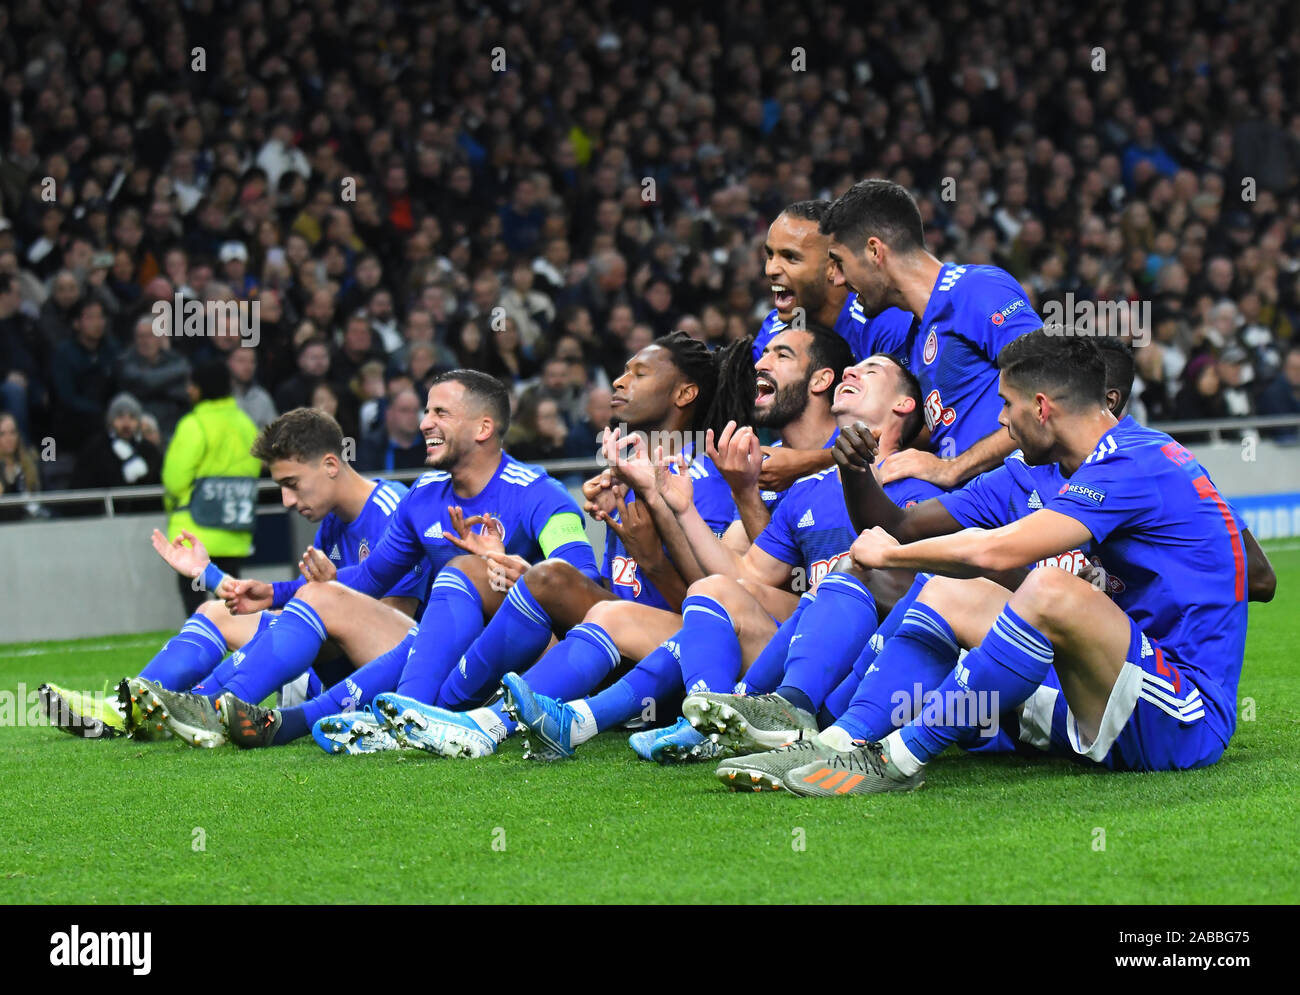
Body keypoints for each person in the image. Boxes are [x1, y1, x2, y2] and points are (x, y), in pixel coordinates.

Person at [724, 330, 1258, 794]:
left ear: (1043, 407)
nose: (1002, 420)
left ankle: (899, 759)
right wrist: (866, 489)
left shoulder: (1133, 462)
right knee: (949, 590)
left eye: (1007, 405)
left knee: (1049, 587)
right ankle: (839, 741)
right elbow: (929, 532)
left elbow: (997, 549)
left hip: (1183, 715)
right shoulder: (1086, 461)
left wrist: (891, 554)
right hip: (1110, 685)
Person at [500, 348, 943, 761]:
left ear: (903, 406)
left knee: (832, 583)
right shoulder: (806, 488)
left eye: (871, 371)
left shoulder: (923, 488)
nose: (852, 372)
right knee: (713, 589)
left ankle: (669, 724)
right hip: (796, 663)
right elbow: (742, 573)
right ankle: (670, 723)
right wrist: (681, 507)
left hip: (869, 674)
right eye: (851, 368)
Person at [324, 331, 753, 756]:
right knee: (472, 571)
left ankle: (447, 716)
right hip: (604, 641)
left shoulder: (713, 478)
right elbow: (622, 588)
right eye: (622, 371)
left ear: (685, 393)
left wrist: (651, 556)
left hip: (672, 660)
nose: (619, 382)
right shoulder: (625, 472)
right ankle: (420, 713)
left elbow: (709, 607)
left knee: (550, 579)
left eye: (639, 373)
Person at [209, 370, 602, 750]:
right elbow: (369, 577)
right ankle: (264, 715)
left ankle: (394, 714)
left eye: (440, 413)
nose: (424, 423)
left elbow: (581, 585)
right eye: (426, 412)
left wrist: (520, 574)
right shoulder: (424, 496)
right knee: (328, 597)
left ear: (483, 429)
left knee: (461, 573)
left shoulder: (541, 495)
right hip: (447, 652)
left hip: (531, 658)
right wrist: (276, 592)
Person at [39, 408, 427, 742]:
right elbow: (315, 610)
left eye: (291, 485)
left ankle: (191, 708)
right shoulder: (331, 525)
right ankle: (128, 710)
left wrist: (317, 602)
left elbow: (393, 622)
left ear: (330, 464)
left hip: (382, 675)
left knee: (306, 608)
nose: (287, 501)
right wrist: (211, 576)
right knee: (214, 612)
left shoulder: (390, 507)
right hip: (326, 663)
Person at [819, 179, 1042, 490]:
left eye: (841, 262)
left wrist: (953, 468)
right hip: (971, 509)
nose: (839, 280)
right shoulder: (915, 337)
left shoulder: (975, 289)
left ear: (873, 251)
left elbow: (1050, 390)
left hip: (1024, 503)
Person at [162, 361, 262, 615]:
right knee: (233, 603)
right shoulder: (246, 424)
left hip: (195, 530)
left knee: (198, 608)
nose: (188, 390)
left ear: (199, 388)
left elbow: (174, 480)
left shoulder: (194, 424)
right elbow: (255, 469)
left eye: (191, 384)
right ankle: (240, 651)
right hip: (234, 530)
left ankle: (201, 649)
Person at [70, 393, 162, 490]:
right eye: (120, 417)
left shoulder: (148, 450)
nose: (126, 424)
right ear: (111, 420)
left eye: (132, 417)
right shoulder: (96, 449)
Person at [356, 387, 426, 472]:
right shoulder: (371, 446)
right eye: (404, 410)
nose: (412, 416)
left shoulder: (429, 444)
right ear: (389, 413)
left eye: (415, 410)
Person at [0, 411, 42, 521]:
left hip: (38, 518)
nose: (9, 438)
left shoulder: (30, 461)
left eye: (13, 432)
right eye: (2, 434)